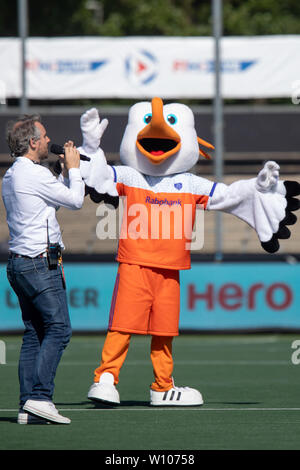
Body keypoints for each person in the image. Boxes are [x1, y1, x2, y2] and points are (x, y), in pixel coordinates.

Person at [2, 114, 84, 424]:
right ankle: (40, 396)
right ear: (33, 142)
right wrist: (75, 171)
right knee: (59, 329)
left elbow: (55, 202)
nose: (50, 141)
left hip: (20, 264)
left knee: (35, 334)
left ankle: (28, 406)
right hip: (38, 263)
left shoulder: (14, 174)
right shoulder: (32, 174)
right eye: (45, 136)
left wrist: (64, 174)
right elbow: (76, 201)